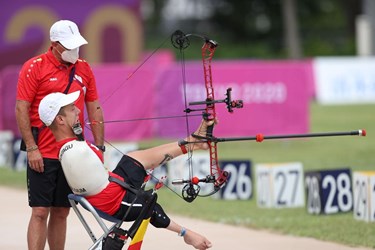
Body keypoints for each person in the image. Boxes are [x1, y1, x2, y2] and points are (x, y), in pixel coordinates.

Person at [37, 91, 213, 250]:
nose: (78, 111)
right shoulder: (77, 150)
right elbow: (149, 210)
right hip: (117, 204)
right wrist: (185, 233)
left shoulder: (67, 147)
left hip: (109, 188)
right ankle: (188, 236)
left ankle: (193, 142)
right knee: (149, 203)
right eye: (72, 109)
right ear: (60, 120)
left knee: (133, 158)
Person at [15, 20, 105, 250]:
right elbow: (21, 108)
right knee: (39, 211)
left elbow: (94, 107)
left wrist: (100, 147)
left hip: (72, 153)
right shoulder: (34, 67)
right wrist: (31, 147)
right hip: (42, 152)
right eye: (69, 46)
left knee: (62, 212)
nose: (75, 51)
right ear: (54, 45)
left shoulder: (84, 68)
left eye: (77, 45)